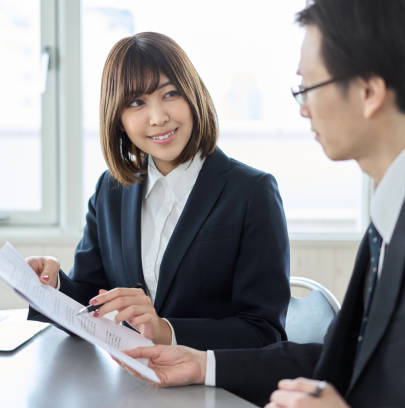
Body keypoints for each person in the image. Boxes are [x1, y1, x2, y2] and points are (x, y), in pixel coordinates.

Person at [118, 1, 405, 407]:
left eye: (308, 87)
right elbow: (346, 362)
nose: (302, 108)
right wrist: (204, 365)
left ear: (369, 93)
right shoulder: (401, 203)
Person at [27, 32, 291, 350]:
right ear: (119, 120)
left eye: (170, 94)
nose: (158, 117)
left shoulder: (252, 193)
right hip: (129, 386)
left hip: (211, 392)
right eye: (137, 103)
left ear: (194, 97)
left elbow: (264, 332)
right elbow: (90, 300)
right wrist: (51, 285)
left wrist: (164, 331)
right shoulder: (111, 191)